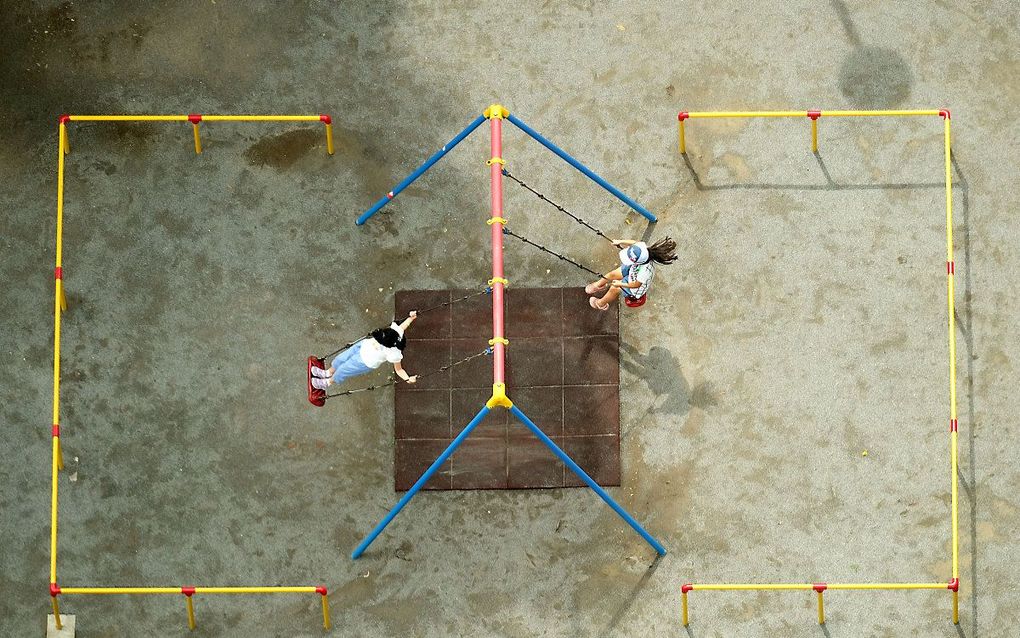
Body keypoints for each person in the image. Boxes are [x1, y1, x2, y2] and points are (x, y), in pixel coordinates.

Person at [311, 312, 419, 389]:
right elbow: (404, 326)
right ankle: (327, 373)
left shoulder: (394, 353)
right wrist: (411, 317)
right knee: (339, 360)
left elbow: (399, 369)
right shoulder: (396, 331)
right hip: (362, 346)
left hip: (365, 362)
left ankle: (327, 382)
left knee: (343, 370)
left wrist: (408, 379)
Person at [585, 237, 677, 310]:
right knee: (612, 274)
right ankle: (598, 285)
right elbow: (634, 242)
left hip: (635, 285)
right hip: (633, 267)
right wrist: (620, 241)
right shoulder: (642, 249)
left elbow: (636, 285)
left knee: (614, 288)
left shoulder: (645, 271)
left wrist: (620, 283)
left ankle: (601, 303)